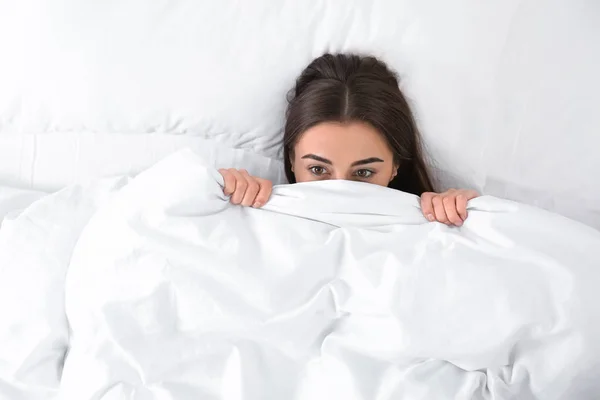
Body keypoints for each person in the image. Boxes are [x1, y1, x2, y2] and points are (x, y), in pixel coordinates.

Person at [219, 53, 479, 227]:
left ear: (395, 166)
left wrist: (467, 214)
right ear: (291, 160)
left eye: (364, 172)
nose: (340, 190)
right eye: (318, 169)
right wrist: (227, 194)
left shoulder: (430, 225)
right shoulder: (259, 215)